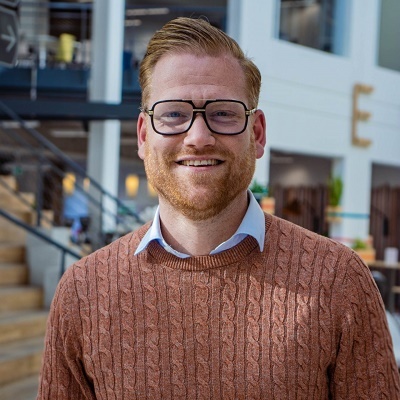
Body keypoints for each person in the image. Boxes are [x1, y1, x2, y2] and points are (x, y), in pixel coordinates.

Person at [37, 17, 400, 399]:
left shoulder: (340, 282)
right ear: (144, 135)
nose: (198, 137)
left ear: (257, 134)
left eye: (223, 113)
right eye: (173, 113)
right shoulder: (83, 292)